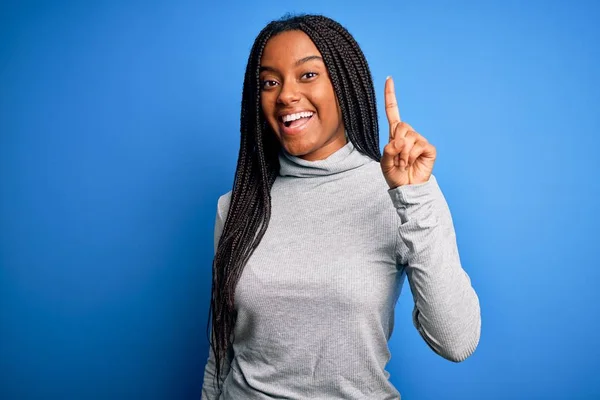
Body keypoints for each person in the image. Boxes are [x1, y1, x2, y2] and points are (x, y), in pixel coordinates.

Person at [201, 13, 481, 400]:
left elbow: (456, 341)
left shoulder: (401, 195)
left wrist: (415, 197)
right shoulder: (237, 207)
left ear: (345, 84)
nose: (285, 95)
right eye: (270, 82)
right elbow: (220, 355)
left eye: (308, 75)